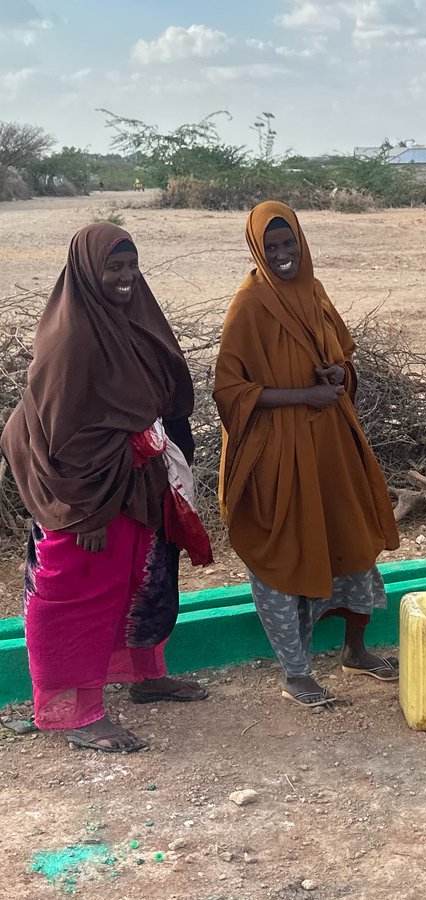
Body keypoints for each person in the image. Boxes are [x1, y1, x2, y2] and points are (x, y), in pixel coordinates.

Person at [1, 223, 211, 753]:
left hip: (133, 483)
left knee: (140, 577)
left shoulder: (135, 317)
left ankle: (145, 676)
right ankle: (74, 711)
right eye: (113, 267)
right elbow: (61, 435)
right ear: (87, 272)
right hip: (84, 493)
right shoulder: (72, 339)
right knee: (77, 594)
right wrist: (87, 512)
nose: (125, 277)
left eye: (131, 265)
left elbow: (167, 392)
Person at [215, 201, 401, 708]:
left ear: (301, 241)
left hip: (328, 446)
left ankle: (356, 651)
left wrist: (338, 376)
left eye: (288, 243)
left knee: (351, 541)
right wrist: (301, 396)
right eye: (271, 247)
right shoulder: (250, 305)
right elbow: (229, 391)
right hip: (276, 452)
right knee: (284, 553)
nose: (282, 255)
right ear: (257, 248)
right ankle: (295, 672)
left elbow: (340, 352)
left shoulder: (313, 290)